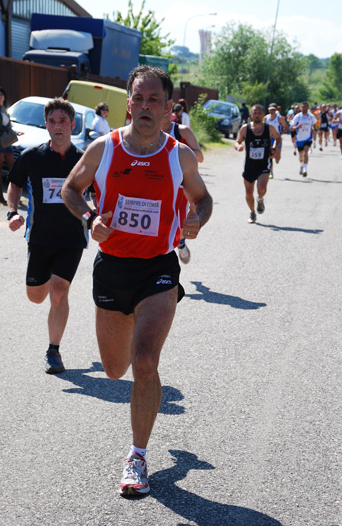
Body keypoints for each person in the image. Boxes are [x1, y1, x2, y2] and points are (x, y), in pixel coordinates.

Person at [61, 66, 213, 496]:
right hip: (112, 266)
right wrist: (91, 219)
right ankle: (166, 436)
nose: (145, 107)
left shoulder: (178, 155)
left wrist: (195, 219)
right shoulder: (102, 148)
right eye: (139, 99)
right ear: (128, 104)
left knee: (144, 361)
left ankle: (137, 455)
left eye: (154, 101)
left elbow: (203, 200)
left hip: (158, 269)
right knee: (115, 371)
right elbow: (72, 190)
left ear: (168, 108)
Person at [6, 98, 87, 374]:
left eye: (63, 121)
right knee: (36, 297)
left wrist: (98, 214)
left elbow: (101, 190)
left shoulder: (84, 160)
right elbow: (14, 184)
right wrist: (12, 212)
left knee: (58, 290)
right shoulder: (32, 156)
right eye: (52, 121)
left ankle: (54, 350)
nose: (57, 126)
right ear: (46, 124)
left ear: (72, 125)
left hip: (72, 237)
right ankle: (46, 291)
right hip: (39, 237)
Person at [162, 114, 204, 264]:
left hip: (179, 185)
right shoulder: (145, 132)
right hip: (155, 183)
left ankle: (180, 242)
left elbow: (200, 156)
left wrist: (180, 153)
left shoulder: (182, 131)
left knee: (179, 222)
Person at [234, 104, 281, 223]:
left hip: (263, 165)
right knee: (249, 193)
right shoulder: (245, 128)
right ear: (251, 115)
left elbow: (278, 138)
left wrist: (274, 148)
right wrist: (239, 146)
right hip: (249, 166)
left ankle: (260, 199)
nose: (257, 115)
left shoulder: (269, 128)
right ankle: (252, 212)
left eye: (259, 112)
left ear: (263, 115)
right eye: (255, 112)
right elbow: (237, 141)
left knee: (261, 187)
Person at [290, 102, 317, 177]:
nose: (304, 108)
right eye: (303, 107)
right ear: (300, 108)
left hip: (308, 138)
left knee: (305, 152)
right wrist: (296, 127)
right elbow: (291, 128)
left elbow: (314, 124)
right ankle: (301, 165)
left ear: (308, 108)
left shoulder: (311, 117)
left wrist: (313, 129)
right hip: (299, 139)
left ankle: (305, 169)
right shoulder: (297, 117)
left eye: (305, 107)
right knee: (301, 155)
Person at [265, 103, 287, 178]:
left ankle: (277, 159)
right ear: (268, 110)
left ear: (276, 110)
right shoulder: (265, 118)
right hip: (269, 138)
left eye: (273, 110)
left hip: (277, 139)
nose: (272, 111)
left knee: (277, 157)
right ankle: (271, 172)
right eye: (271, 110)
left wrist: (280, 134)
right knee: (270, 156)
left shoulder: (279, 118)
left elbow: (285, 127)